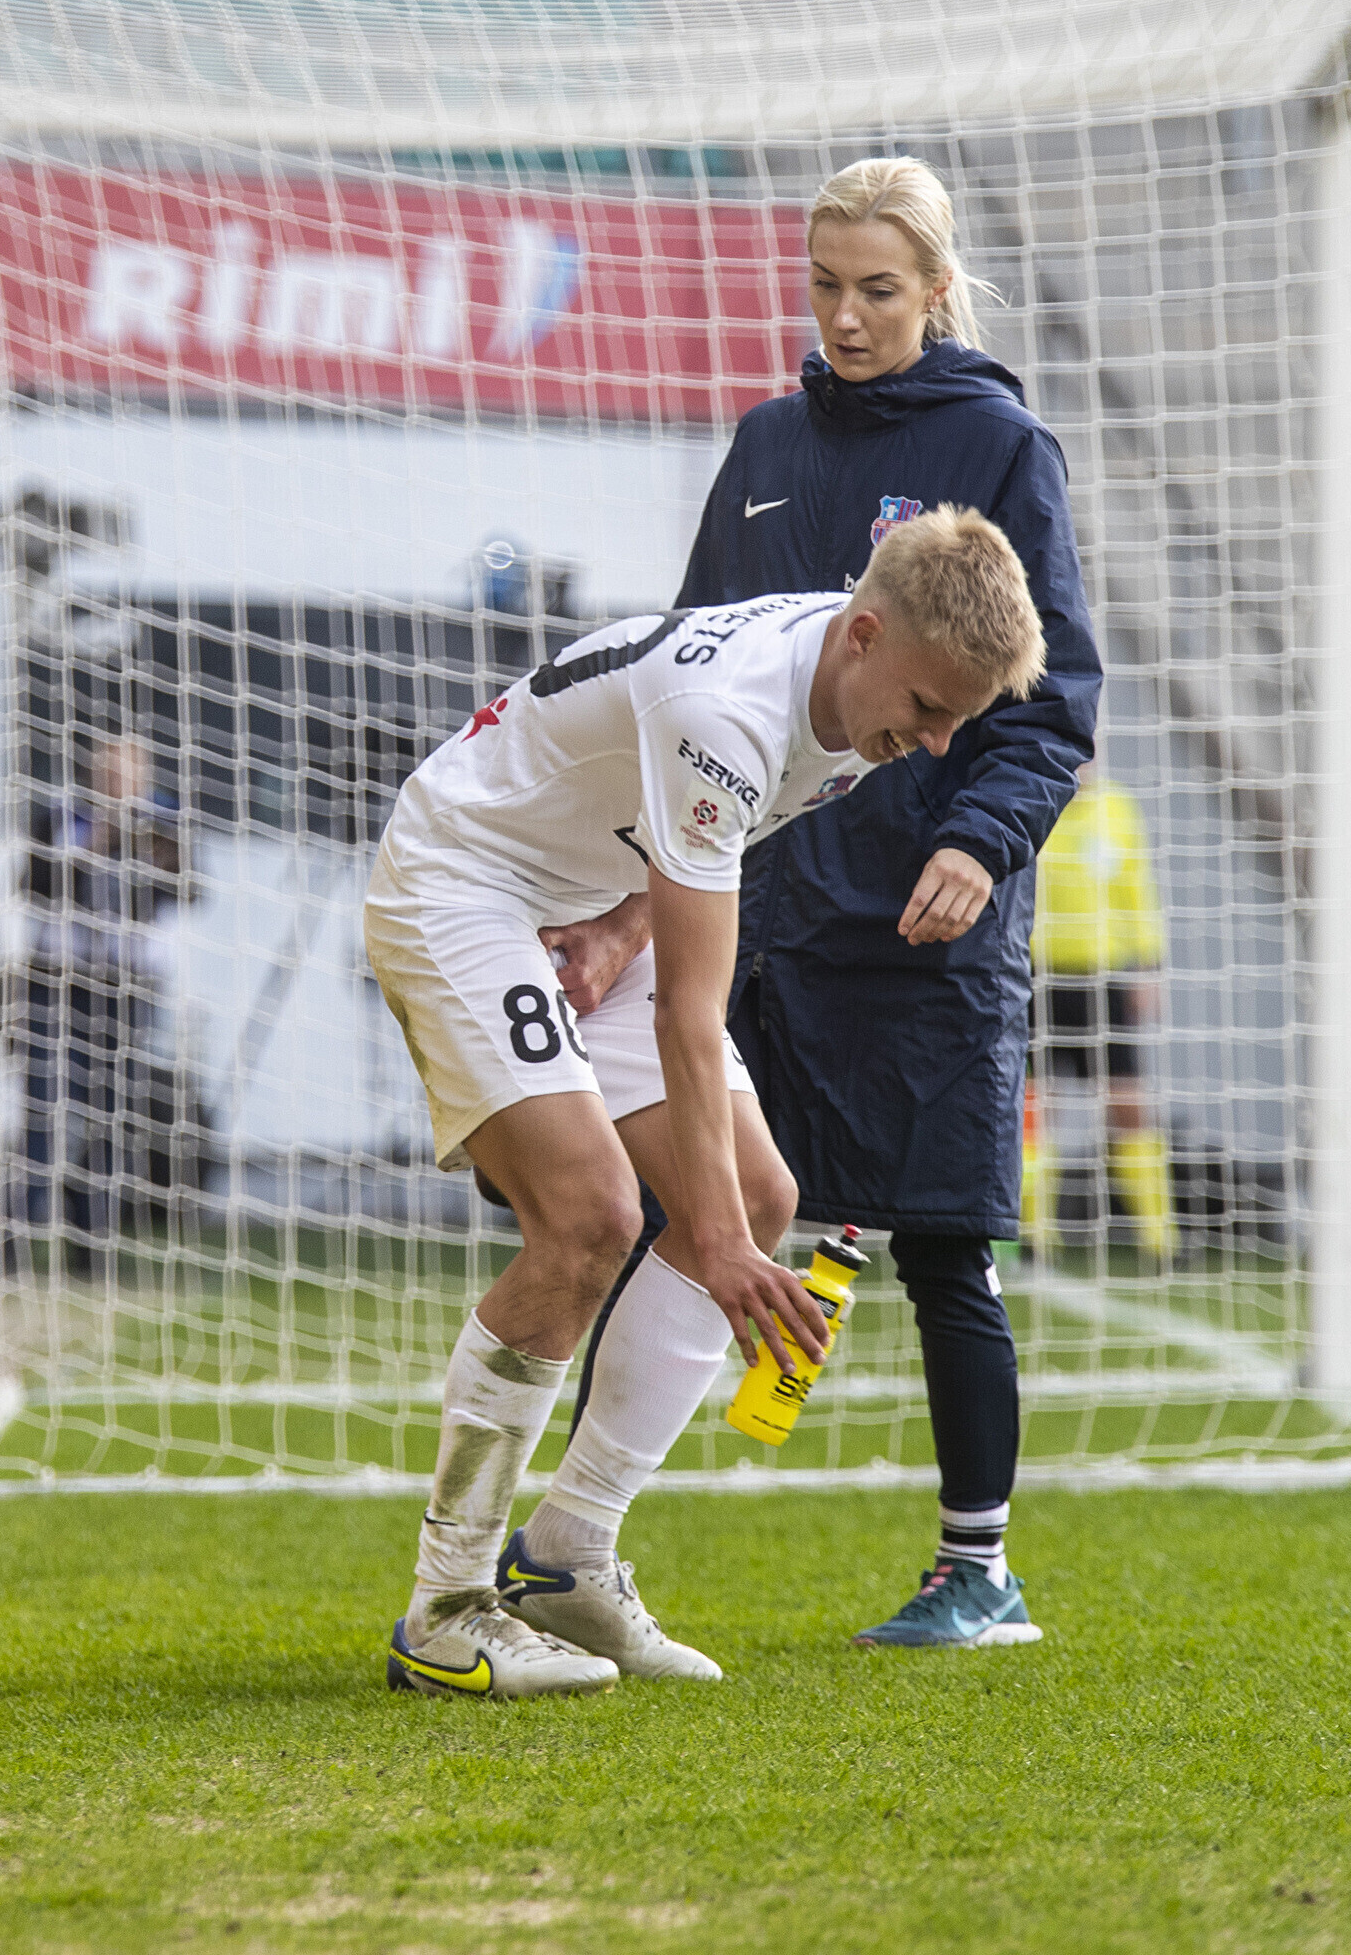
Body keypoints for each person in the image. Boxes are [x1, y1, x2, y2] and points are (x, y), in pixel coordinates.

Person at [542, 157, 1102, 1650]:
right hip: (760, 908)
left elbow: (1051, 700)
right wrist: (625, 903)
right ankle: (576, 1547)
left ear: (935, 292)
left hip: (926, 921)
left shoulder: (1000, 446)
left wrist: (978, 840)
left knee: (942, 1249)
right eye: (824, 287)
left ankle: (976, 1570)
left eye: (877, 290)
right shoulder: (766, 444)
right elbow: (682, 667)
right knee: (676, 1210)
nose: (845, 318)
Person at [369, 506, 1047, 1700]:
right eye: (929, 707)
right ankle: (446, 1608)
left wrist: (620, 925)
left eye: (959, 719)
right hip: (463, 882)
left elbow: (694, 850)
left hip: (587, 901)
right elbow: (691, 1013)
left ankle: (568, 1553)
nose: (936, 742)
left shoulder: (856, 694)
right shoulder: (726, 709)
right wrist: (719, 1246)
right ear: (863, 633)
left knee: (762, 1194)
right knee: (589, 1217)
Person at [9, 732, 186, 1267]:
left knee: (110, 1115)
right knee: (43, 1107)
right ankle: (14, 1243)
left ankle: (93, 1247)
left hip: (125, 986)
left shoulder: (161, 822)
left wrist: (151, 854)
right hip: (58, 980)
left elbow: (187, 892)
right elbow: (32, 885)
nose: (117, 782)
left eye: (127, 774)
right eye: (108, 771)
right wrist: (94, 845)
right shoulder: (60, 816)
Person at [1027, 764, 1174, 1261]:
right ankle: (1033, 1234)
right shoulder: (1034, 798)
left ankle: (1159, 1238)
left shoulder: (1117, 806)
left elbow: (1137, 889)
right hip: (1039, 976)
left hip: (1105, 977)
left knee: (1128, 1103)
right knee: (1036, 1106)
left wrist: (1148, 965)